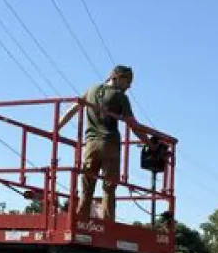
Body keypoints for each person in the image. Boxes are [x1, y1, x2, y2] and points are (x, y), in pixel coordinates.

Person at [56, 65, 156, 222]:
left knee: (87, 186)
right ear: (116, 77)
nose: (129, 86)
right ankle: (108, 224)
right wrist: (150, 144)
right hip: (110, 144)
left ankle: (81, 221)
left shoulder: (92, 89)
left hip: (90, 145)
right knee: (109, 188)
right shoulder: (120, 96)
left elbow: (73, 108)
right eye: (127, 81)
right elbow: (134, 126)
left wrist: (56, 127)